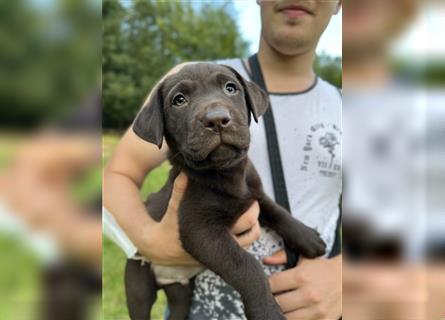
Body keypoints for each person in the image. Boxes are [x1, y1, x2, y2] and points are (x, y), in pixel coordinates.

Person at [104, 0, 342, 319]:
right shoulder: (182, 74)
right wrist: (148, 241)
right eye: (180, 100)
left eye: (230, 89)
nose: (216, 113)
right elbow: (116, 174)